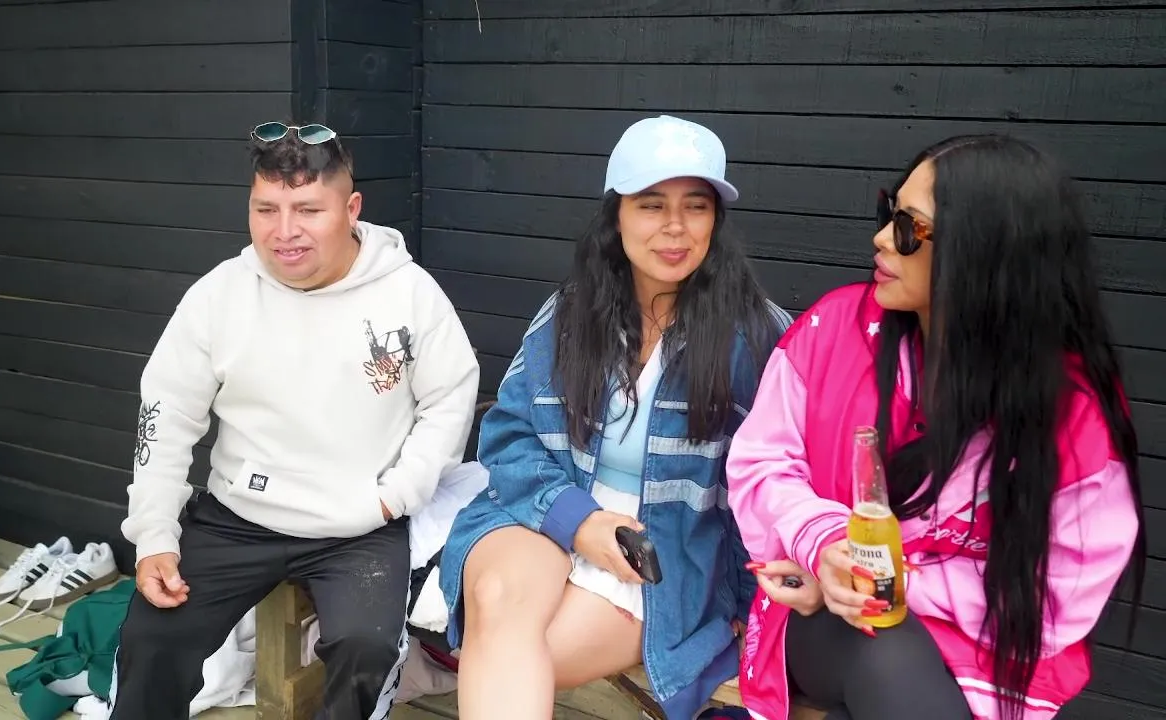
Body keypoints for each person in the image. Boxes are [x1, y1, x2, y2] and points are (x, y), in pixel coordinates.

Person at [725, 134, 1145, 720]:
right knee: (886, 656)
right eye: (888, 212)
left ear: (985, 252)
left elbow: (1062, 588)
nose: (880, 238)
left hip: (992, 647)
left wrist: (900, 580)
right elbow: (762, 463)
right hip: (837, 613)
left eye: (908, 227)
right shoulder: (833, 330)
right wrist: (825, 546)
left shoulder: (1070, 406)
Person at [110, 121, 480, 720]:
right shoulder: (219, 295)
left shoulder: (410, 294)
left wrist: (395, 496)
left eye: (308, 210)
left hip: (360, 523)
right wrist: (154, 534)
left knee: (366, 649)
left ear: (351, 209)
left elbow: (449, 399)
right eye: (266, 210)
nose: (284, 232)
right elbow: (166, 411)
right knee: (152, 638)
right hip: (239, 515)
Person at [437, 114, 793, 720]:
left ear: (716, 219)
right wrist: (578, 521)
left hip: (663, 551)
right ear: (617, 215)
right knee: (498, 602)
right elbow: (510, 435)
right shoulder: (570, 314)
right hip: (547, 507)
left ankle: (424, 667)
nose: (675, 227)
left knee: (510, 657)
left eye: (696, 206)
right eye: (651, 205)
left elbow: (772, 483)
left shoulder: (756, 336)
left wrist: (744, 599)